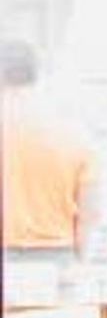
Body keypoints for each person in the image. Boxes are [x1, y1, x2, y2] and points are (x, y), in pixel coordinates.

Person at [1, 39, 97, 303]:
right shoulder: (74, 132)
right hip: (57, 265)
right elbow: (90, 214)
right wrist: (78, 261)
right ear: (38, 74)